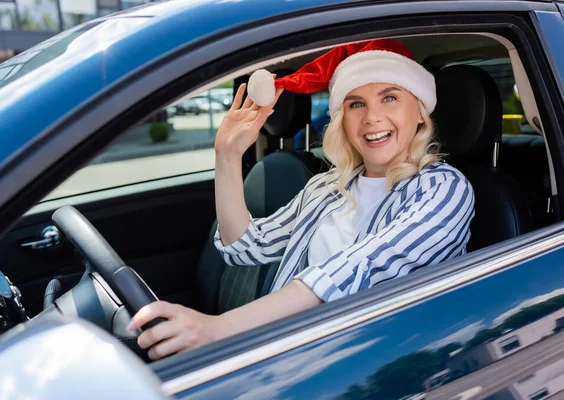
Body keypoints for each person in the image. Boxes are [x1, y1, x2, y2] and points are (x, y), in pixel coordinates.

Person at [126, 39, 475, 360]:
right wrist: (228, 156)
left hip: (365, 361)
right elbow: (245, 246)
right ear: (344, 119)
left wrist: (218, 329)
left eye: (390, 97)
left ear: (419, 112)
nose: (371, 118)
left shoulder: (444, 190)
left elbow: (357, 269)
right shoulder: (326, 187)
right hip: (289, 348)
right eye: (356, 103)